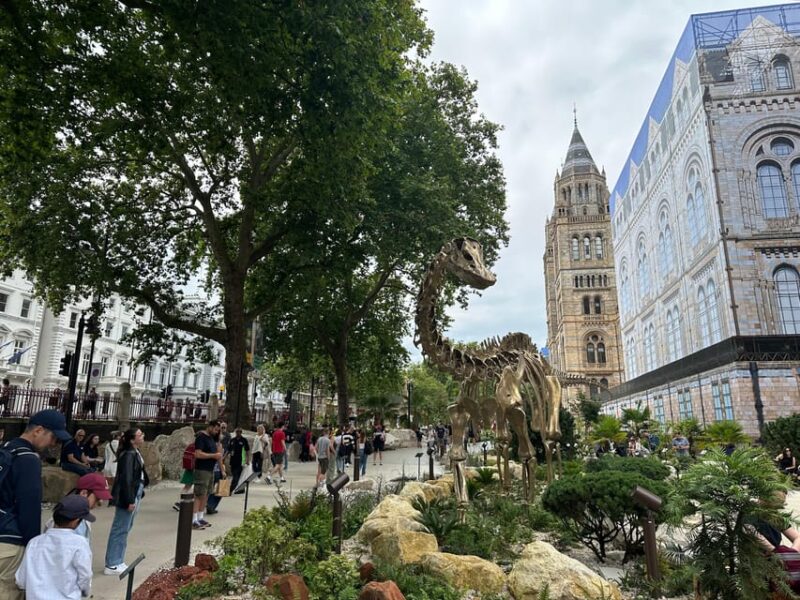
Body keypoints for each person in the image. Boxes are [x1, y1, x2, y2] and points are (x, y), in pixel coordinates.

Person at [0, 409, 70, 599]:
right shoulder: (28, 459)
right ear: (38, 430)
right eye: (54, 437)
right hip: (10, 539)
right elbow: (29, 508)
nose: (53, 444)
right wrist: (34, 547)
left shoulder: (6, 448)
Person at [16, 495, 93, 600]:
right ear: (76, 521)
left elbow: (21, 580)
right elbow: (85, 576)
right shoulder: (79, 543)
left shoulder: (34, 543)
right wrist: (84, 591)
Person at [104, 428, 149, 576]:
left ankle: (118, 559)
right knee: (120, 527)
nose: (142, 436)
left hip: (136, 490)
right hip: (128, 494)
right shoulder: (129, 454)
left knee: (126, 527)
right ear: (132, 439)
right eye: (140, 434)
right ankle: (112, 563)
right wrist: (130, 499)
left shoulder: (134, 452)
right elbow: (126, 479)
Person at [44, 472, 111, 543]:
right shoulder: (75, 522)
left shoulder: (79, 515)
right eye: (97, 498)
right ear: (84, 493)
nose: (100, 502)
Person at [191, 421, 222, 530]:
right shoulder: (201, 437)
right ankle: (194, 519)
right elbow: (198, 454)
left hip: (210, 470)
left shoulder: (211, 439)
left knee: (206, 494)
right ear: (210, 427)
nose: (216, 432)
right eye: (215, 429)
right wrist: (213, 455)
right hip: (202, 469)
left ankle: (200, 517)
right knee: (199, 494)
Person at [228, 428, 250, 493]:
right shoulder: (232, 440)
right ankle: (240, 489)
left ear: (241, 432)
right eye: (237, 432)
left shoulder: (244, 440)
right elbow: (228, 450)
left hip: (240, 461)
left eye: (239, 432)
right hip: (232, 461)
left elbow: (247, 450)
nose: (238, 433)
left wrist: (248, 460)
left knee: (236, 476)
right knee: (235, 476)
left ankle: (230, 490)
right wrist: (224, 457)